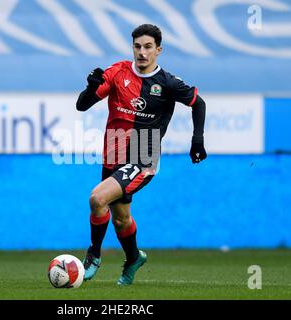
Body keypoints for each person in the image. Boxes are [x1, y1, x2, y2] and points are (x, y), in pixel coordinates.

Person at [75, 24, 207, 286]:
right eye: (137, 46)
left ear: (158, 50)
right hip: (113, 152)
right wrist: (90, 89)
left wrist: (197, 140)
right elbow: (82, 105)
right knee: (121, 219)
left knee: (97, 198)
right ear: (132, 47)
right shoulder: (117, 72)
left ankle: (93, 255)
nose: (142, 52)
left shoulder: (168, 82)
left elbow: (198, 103)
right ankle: (134, 257)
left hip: (143, 156)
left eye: (148, 47)